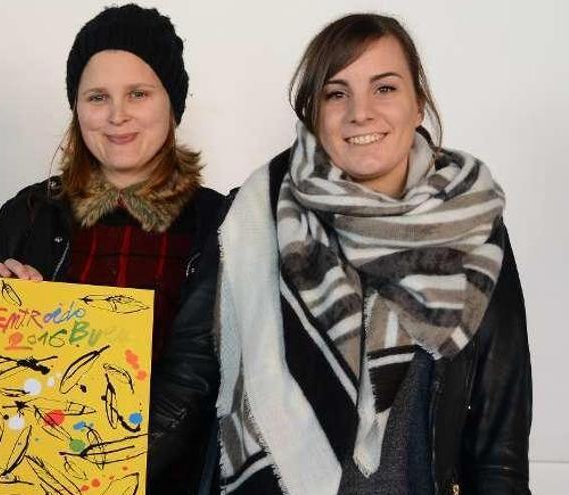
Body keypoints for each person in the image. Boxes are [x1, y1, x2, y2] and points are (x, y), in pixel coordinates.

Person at [210, 13, 531, 495]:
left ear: (417, 105)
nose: (360, 112)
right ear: (314, 113)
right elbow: (185, 380)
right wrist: (52, 314)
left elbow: (499, 449)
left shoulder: (474, 231)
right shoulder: (253, 219)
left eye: (385, 88)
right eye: (336, 93)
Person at [0, 4, 223, 493]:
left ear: (171, 103)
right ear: (76, 107)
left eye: (138, 93)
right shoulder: (27, 214)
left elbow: (200, 386)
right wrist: (1, 320)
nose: (116, 115)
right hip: (30, 480)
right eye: (97, 96)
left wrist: (97, 475)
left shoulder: (219, 223)